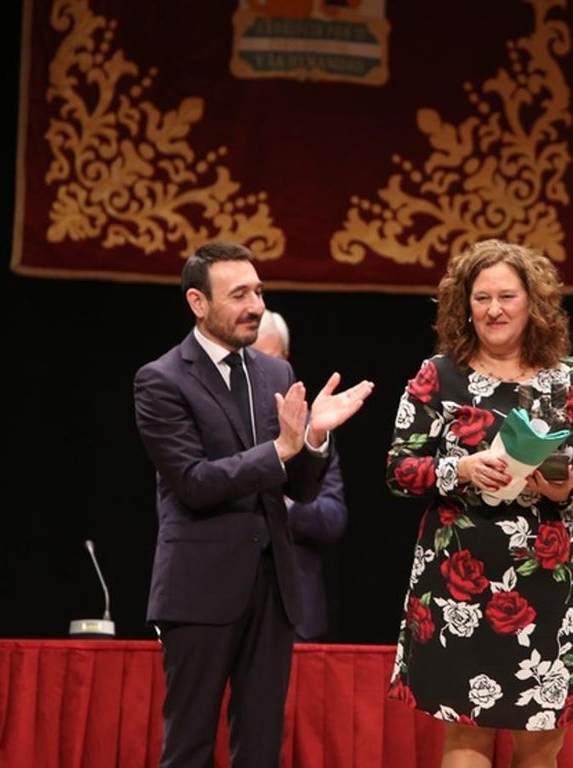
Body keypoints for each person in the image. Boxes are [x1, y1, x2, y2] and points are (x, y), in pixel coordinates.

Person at [133, 242, 374, 767]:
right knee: (189, 746)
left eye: (259, 292)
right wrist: (281, 449)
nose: (256, 306)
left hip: (273, 588)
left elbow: (301, 490)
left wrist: (314, 439)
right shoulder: (161, 380)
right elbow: (193, 482)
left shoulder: (275, 375)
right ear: (198, 302)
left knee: (262, 748)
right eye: (239, 294)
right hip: (199, 587)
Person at [385, 239, 573, 767]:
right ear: (465, 305)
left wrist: (566, 487)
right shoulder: (438, 375)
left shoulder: (569, 377)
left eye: (507, 297)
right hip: (459, 581)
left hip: (546, 578)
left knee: (540, 742)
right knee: (467, 734)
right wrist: (460, 469)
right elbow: (398, 470)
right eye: (482, 298)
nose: (494, 309)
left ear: (533, 303)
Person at [252, 308, 349, 642]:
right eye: (253, 360)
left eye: (271, 360)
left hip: (296, 613)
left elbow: (332, 518)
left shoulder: (314, 428)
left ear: (286, 361)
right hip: (226, 598)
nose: (264, 371)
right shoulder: (219, 418)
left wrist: (285, 500)